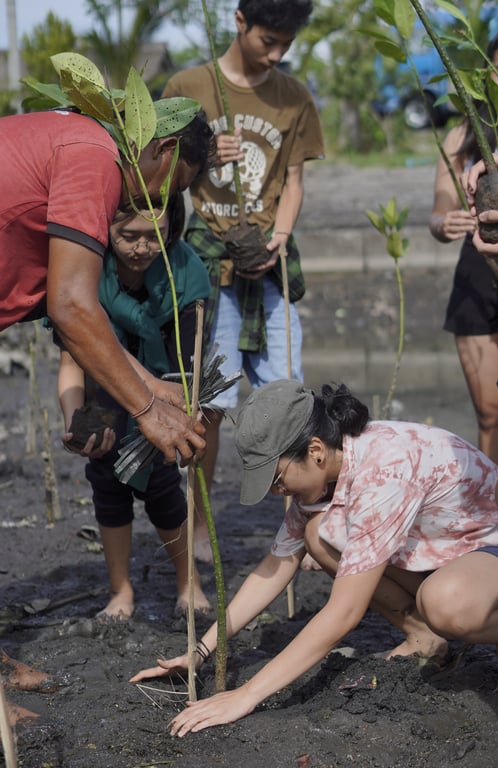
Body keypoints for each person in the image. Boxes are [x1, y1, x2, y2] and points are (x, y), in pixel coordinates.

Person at [131, 379, 498, 736]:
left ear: (315, 451)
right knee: (319, 534)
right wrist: (201, 651)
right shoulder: (328, 472)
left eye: (277, 480)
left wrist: (245, 695)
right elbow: (273, 569)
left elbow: (343, 613)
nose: (277, 491)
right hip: (444, 553)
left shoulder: (386, 470)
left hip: (497, 553)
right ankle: (426, 637)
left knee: (445, 603)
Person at [0, 97, 216, 726]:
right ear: (165, 152)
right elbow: (73, 306)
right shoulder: (95, 157)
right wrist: (149, 405)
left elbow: (67, 313)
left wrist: (151, 384)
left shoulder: (79, 143)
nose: (157, 204)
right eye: (174, 185)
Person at [162, 0, 324, 561]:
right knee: (209, 401)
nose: (275, 54)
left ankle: (300, 528)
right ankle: (200, 527)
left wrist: (279, 236)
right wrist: (204, 156)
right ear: (238, 21)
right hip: (211, 266)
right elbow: (160, 177)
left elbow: (295, 181)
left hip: (269, 266)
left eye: (285, 43)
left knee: (288, 396)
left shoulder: (295, 96)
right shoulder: (187, 86)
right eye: (267, 41)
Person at [55, 193, 211, 620]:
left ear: (170, 231)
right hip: (102, 390)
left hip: (167, 389)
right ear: (106, 229)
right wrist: (74, 422)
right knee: (107, 484)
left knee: (162, 485)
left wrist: (182, 406)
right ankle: (120, 592)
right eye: (128, 236)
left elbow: (190, 362)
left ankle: (188, 584)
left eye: (153, 237)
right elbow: (71, 360)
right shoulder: (87, 270)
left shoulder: (184, 272)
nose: (141, 248)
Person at [429, 25, 498, 466]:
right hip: (478, 271)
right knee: (490, 410)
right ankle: (497, 511)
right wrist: (445, 222)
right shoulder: (465, 134)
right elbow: (439, 207)